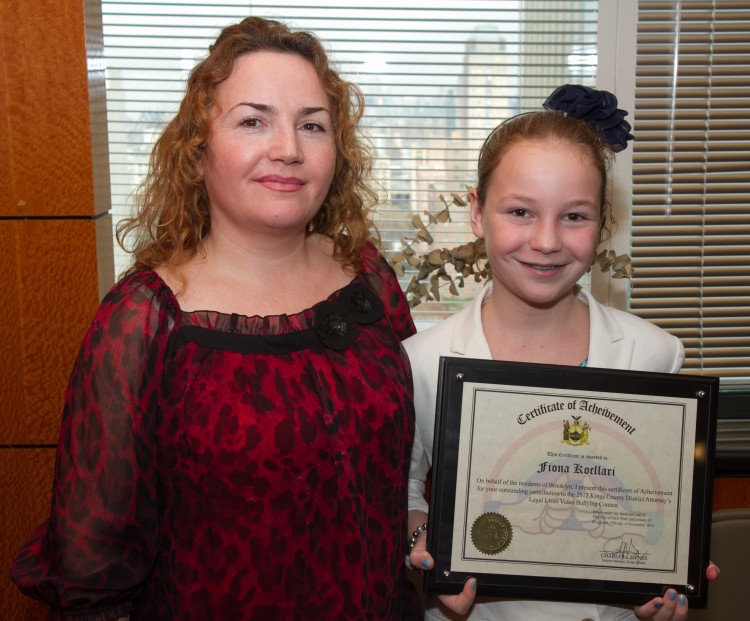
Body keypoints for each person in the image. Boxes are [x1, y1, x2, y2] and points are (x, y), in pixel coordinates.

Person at [11, 16, 422, 620]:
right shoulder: (144, 320)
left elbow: (398, 474)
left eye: (312, 125)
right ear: (198, 149)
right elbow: (92, 572)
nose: (288, 147)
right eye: (253, 120)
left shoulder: (369, 279)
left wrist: (422, 537)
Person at [404, 85, 719, 620]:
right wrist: (422, 544)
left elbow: (656, 504)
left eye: (574, 216)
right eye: (521, 211)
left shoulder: (653, 354)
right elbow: (407, 485)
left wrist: (658, 580)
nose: (547, 240)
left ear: (602, 222)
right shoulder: (420, 362)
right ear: (478, 214)